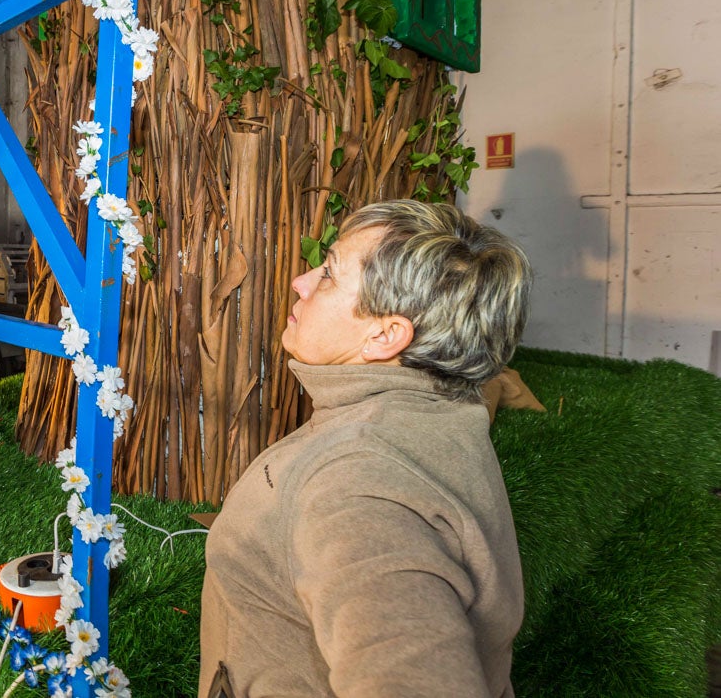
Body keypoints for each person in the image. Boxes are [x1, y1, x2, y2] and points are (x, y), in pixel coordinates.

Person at [200, 200, 533, 698]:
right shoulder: (436, 410)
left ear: (385, 335)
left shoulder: (359, 482)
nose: (302, 281)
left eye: (330, 274)